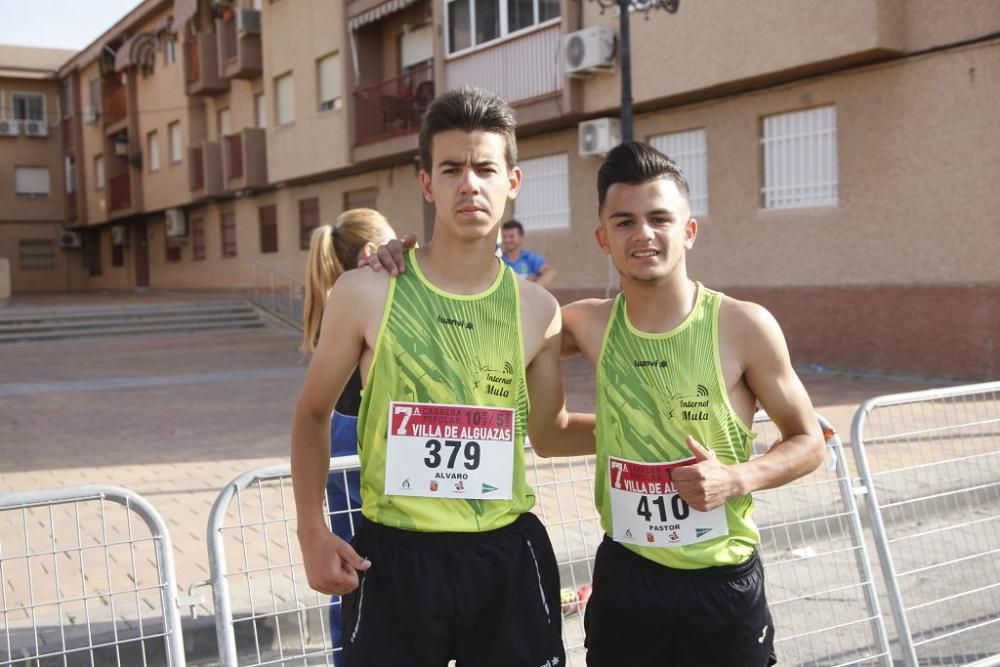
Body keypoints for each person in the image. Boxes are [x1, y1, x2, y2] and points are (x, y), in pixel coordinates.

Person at [371, 141, 826, 667]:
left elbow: (809, 440)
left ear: (689, 231)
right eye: (625, 222)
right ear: (603, 238)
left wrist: (739, 477)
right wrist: (407, 260)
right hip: (627, 579)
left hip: (720, 585)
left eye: (660, 219)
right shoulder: (587, 324)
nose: (644, 235)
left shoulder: (743, 325)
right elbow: (495, 317)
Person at [290, 86, 594, 667]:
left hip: (505, 558)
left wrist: (640, 429)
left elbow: (551, 434)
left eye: (485, 168)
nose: (469, 184)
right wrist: (312, 531)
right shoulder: (367, 291)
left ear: (513, 181)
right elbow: (310, 414)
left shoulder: (537, 309)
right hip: (396, 560)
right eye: (451, 168)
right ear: (427, 183)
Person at [300, 208, 395, 666]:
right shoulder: (368, 300)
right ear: (373, 253)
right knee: (365, 575)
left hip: (344, 433)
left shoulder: (337, 301)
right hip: (362, 437)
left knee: (351, 574)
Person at [500, 219, 556, 286]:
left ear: (521, 237)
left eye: (511, 236)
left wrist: (535, 287)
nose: (507, 240)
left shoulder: (529, 257)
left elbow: (550, 272)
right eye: (504, 237)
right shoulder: (498, 260)